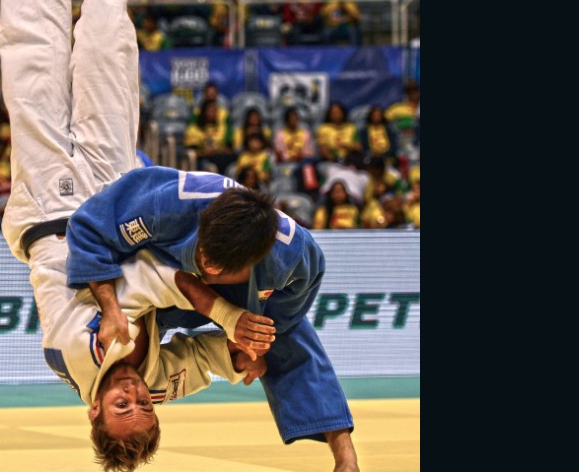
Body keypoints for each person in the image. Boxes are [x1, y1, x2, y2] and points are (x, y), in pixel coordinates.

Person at [0, 0, 276, 471]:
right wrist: (241, 360)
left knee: (33, 83)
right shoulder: (153, 380)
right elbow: (205, 363)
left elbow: (148, 280)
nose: (133, 398)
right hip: (116, 202)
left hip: (52, 212)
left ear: (93, 411)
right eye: (144, 409)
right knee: (111, 79)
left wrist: (227, 318)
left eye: (121, 408)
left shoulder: (76, 352)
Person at [65, 164, 361, 472]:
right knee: (138, 292)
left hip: (244, 287)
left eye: (217, 269)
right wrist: (110, 306)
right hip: (165, 267)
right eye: (205, 259)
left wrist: (257, 340)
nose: (208, 271)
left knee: (280, 336)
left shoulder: (289, 254)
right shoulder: (163, 205)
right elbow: (87, 229)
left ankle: (345, 460)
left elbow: (299, 293)